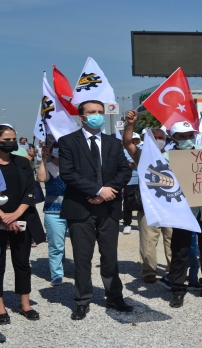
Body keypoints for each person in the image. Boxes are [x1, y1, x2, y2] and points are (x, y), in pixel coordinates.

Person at [58, 100, 133, 320]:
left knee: (110, 256)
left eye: (100, 112)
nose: (97, 116)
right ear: (81, 117)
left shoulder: (112, 142)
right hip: (80, 207)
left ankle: (114, 296)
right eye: (92, 112)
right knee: (82, 258)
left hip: (108, 207)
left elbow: (124, 172)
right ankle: (82, 300)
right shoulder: (68, 142)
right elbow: (68, 173)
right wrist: (98, 190)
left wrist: (107, 191)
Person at [163, 121, 202, 308]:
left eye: (190, 135)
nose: (187, 139)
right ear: (173, 138)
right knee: (180, 251)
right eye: (182, 136)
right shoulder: (166, 158)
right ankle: (178, 290)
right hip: (182, 211)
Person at [0, 124, 46, 322]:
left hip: (21, 220)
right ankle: (1, 307)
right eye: (6, 140)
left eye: (13, 139)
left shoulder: (22, 163)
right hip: (1, 219)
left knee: (22, 262)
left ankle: (25, 304)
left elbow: (30, 190)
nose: (11, 143)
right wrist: (3, 216)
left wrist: (16, 214)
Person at [123, 112, 173, 285]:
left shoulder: (174, 156)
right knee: (148, 240)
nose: (158, 139)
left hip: (171, 205)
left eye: (161, 137)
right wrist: (131, 124)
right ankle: (149, 270)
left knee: (172, 239)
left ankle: (173, 270)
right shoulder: (142, 154)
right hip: (149, 205)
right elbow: (127, 143)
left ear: (165, 139)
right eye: (154, 137)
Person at [36, 137, 68, 286]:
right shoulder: (47, 166)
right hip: (52, 212)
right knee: (56, 244)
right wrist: (44, 158)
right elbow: (41, 178)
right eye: (56, 148)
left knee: (80, 243)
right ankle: (56, 273)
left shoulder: (72, 168)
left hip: (73, 211)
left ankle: (77, 269)